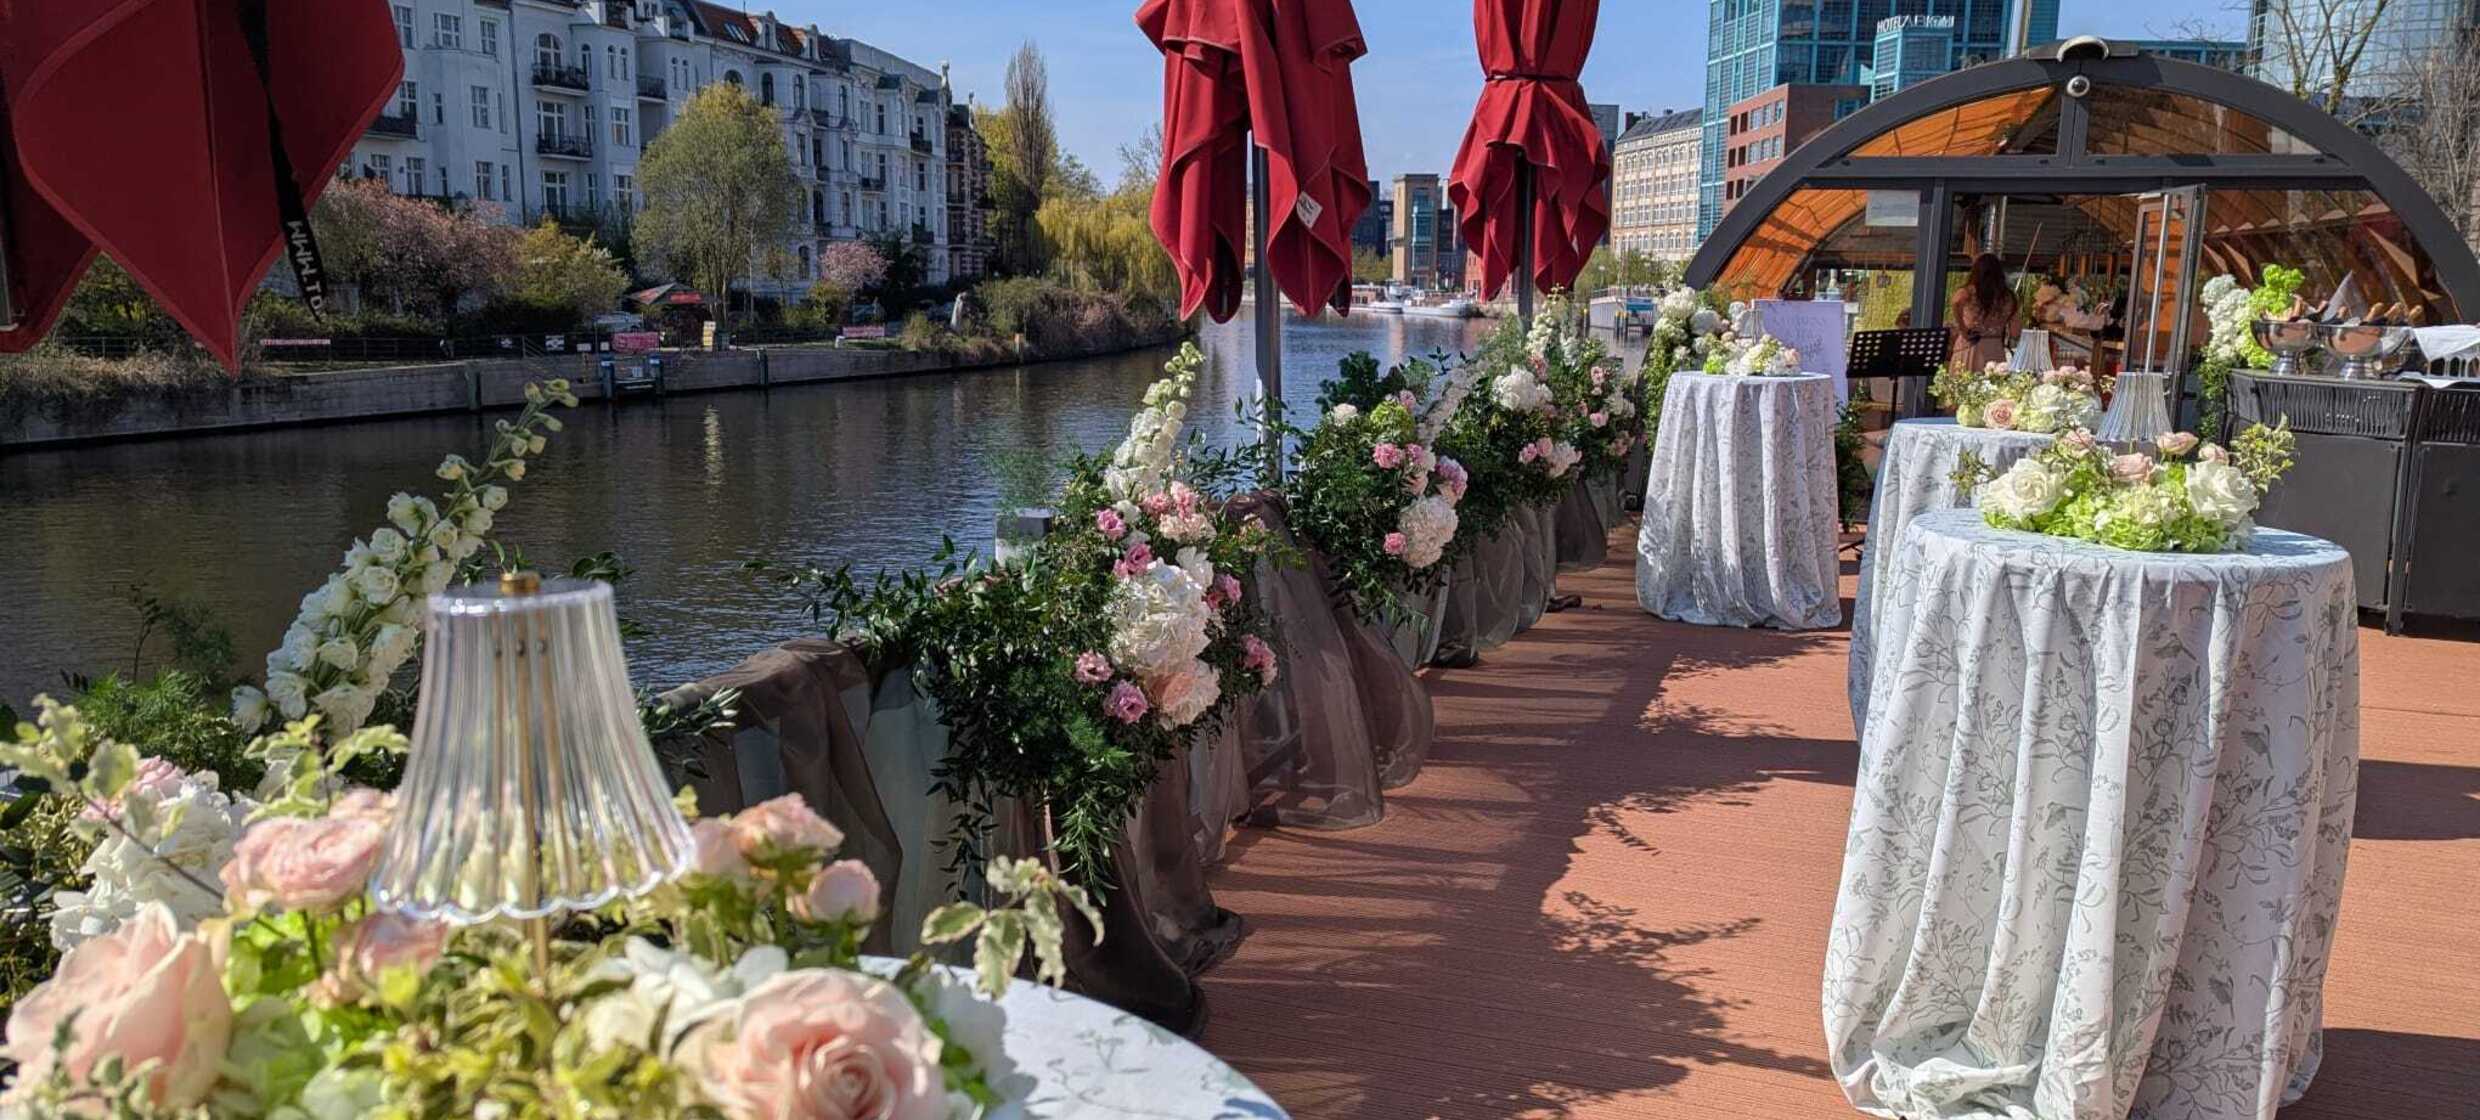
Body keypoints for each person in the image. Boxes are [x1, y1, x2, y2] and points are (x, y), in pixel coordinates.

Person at [1947, 253, 2020, 371]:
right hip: (1995, 349)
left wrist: (1963, 328)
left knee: (1962, 386)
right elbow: (2016, 332)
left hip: (1970, 345)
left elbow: (1955, 302)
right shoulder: (2008, 297)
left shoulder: (1968, 292)